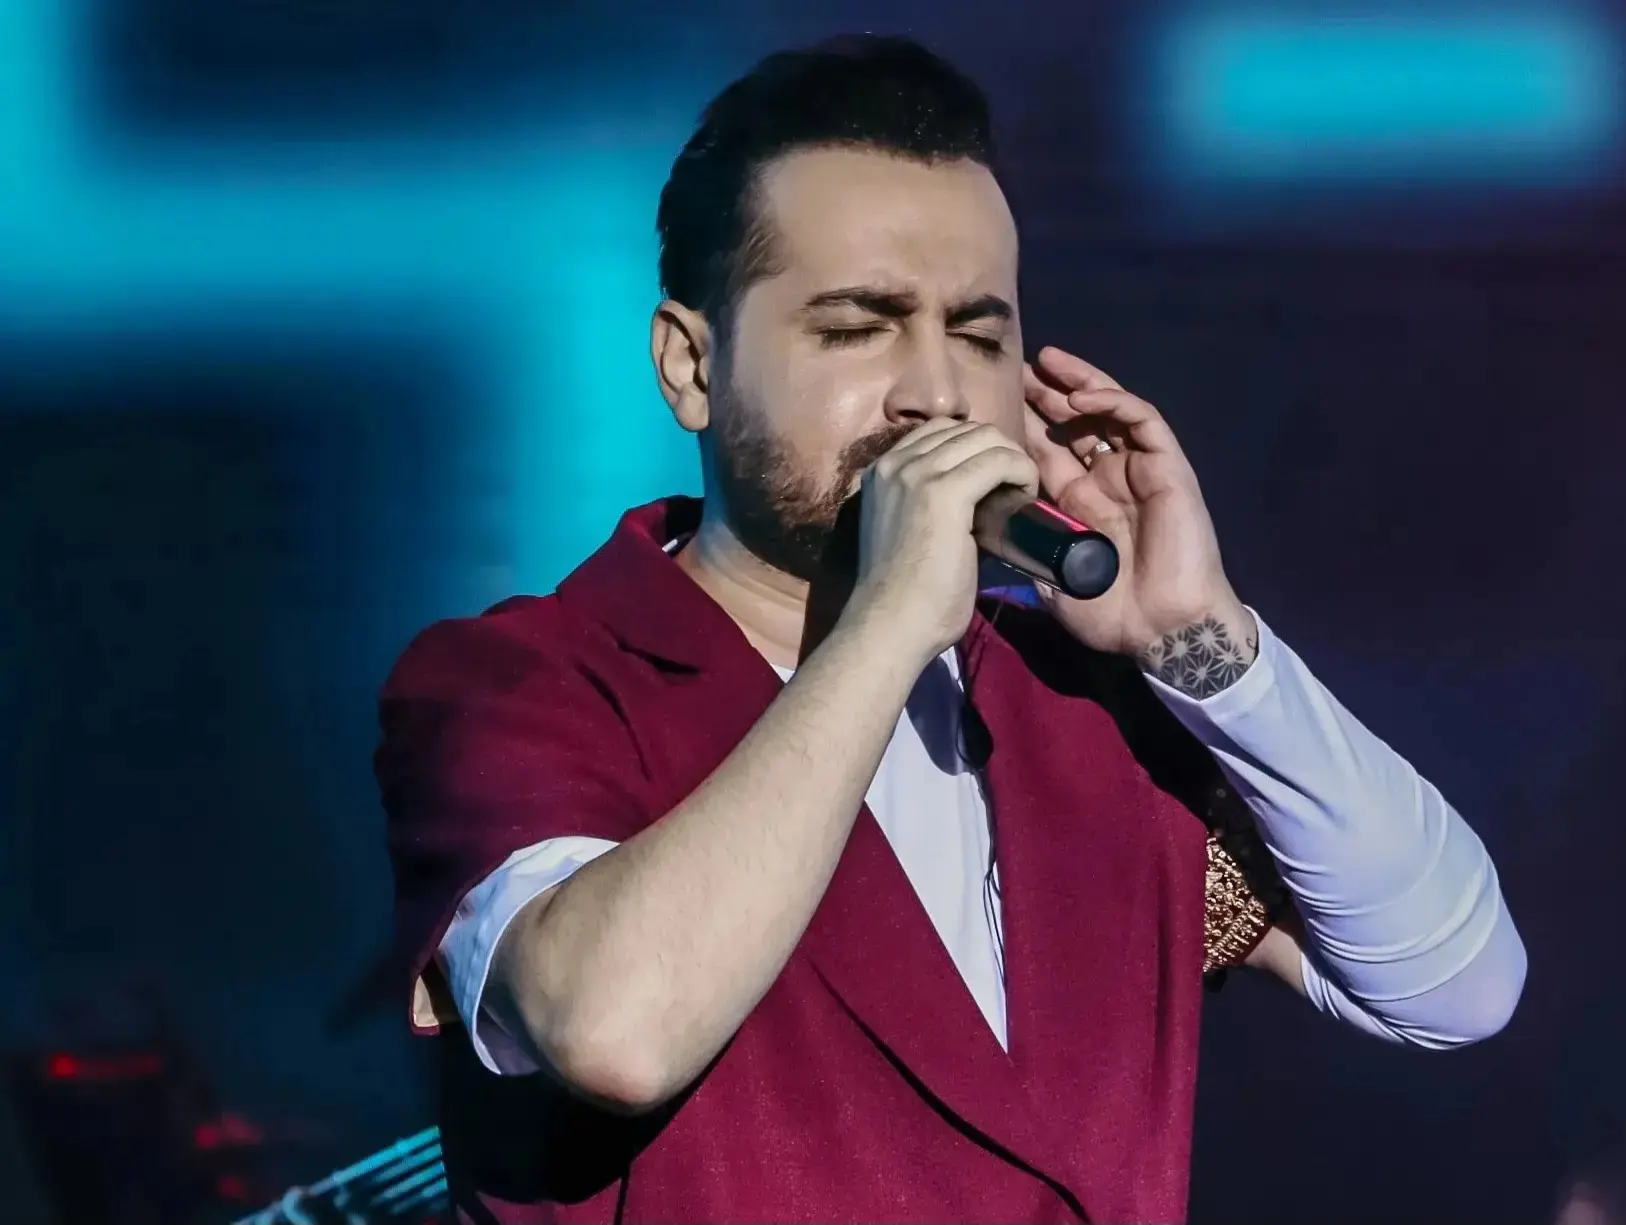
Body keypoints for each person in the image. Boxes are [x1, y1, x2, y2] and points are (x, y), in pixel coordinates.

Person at [376, 35, 1527, 1224]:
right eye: (857, 328)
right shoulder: (526, 682)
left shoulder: (1080, 706)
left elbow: (1454, 986)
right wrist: (886, 623)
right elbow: (613, 1029)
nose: (934, 391)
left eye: (977, 336)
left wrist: (1203, 642)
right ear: (689, 366)